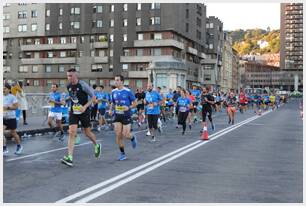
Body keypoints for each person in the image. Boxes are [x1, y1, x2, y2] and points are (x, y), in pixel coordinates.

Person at [61, 68, 101, 167]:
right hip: (74, 111)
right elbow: (72, 96)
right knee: (71, 132)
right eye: (67, 76)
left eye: (70, 76)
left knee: (87, 132)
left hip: (84, 111)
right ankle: (70, 157)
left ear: (75, 76)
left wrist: (85, 107)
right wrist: (65, 100)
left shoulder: (82, 85)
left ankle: (96, 144)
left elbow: (93, 97)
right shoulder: (68, 85)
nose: (69, 78)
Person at [109, 75, 137, 161]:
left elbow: (135, 103)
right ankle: (122, 153)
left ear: (122, 82)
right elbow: (112, 103)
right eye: (115, 80)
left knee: (126, 134)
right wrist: (110, 110)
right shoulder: (113, 91)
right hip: (117, 115)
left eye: (117, 80)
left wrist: (128, 107)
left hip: (126, 115)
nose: (115, 82)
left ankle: (132, 138)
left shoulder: (128, 91)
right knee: (118, 134)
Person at [3, 83, 23, 155]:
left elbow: (16, 107)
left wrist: (8, 107)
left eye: (5, 88)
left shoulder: (12, 97)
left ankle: (19, 146)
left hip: (11, 118)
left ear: (9, 89)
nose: (3, 89)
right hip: (3, 118)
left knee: (13, 133)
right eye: (2, 88)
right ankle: (4, 148)